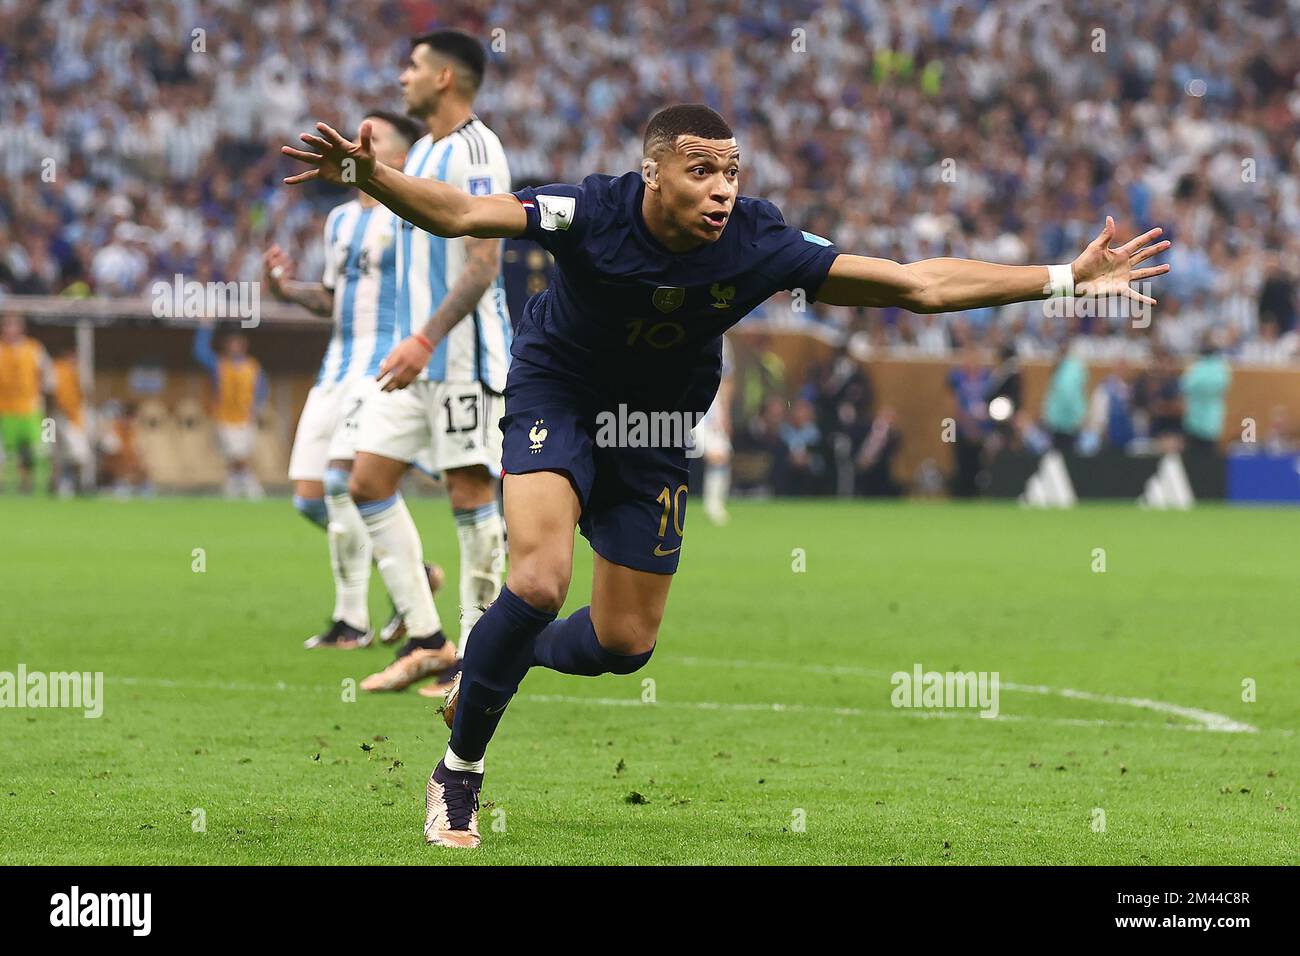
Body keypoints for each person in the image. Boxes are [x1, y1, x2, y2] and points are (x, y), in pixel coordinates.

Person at [282, 102, 1172, 849]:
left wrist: (1062, 278)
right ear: (652, 175)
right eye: (702, 171)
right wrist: (373, 178)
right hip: (562, 394)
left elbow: (917, 285)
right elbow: (463, 214)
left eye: (733, 173)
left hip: (661, 429)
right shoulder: (587, 209)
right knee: (541, 579)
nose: (722, 190)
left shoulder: (758, 241)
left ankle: (489, 656)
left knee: (625, 646)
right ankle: (460, 773)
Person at [344, 31, 513, 697]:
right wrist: (361, 175)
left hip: (462, 358)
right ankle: (427, 640)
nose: (402, 75)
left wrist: (427, 340)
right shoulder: (425, 150)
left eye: (412, 65)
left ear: (445, 78)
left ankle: (480, 659)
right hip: (417, 355)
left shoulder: (476, 149)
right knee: (366, 482)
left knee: (470, 495)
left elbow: (484, 262)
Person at [266, 109, 441, 651]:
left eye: (372, 137)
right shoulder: (339, 220)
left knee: (346, 483)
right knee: (309, 498)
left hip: (382, 369)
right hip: (334, 370)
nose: (354, 142)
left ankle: (353, 622)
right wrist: (283, 289)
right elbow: (331, 296)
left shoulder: (413, 213)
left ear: (400, 156)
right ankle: (415, 571)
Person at [192, 322, 266, 498]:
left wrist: (257, 408)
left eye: (238, 343)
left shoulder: (252, 367)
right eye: (232, 343)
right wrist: (205, 327)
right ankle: (248, 488)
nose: (235, 347)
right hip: (225, 418)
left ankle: (236, 488)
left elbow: (262, 390)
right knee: (235, 456)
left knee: (240, 455)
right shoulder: (220, 365)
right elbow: (200, 352)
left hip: (245, 418)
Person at [0, 314, 53, 494]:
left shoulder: (34, 348)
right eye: (7, 326)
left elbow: (48, 375)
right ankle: (5, 485)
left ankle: (31, 483)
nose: (10, 330)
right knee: (7, 451)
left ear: (21, 329)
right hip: (4, 409)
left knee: (33, 449)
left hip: (30, 408)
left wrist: (44, 394)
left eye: (13, 326)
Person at [1181, 338, 1232, 454]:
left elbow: (1184, 386)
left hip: (1195, 421)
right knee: (1209, 457)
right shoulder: (1222, 370)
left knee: (1194, 458)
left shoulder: (1195, 369)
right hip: (1212, 422)